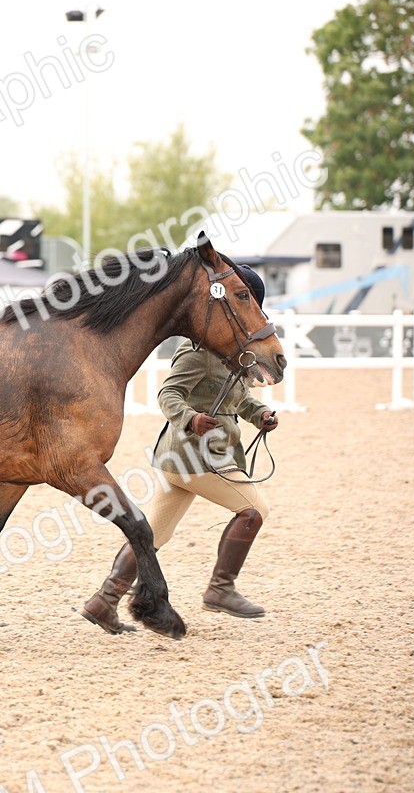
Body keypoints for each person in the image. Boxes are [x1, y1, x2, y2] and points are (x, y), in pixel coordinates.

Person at [81, 264, 280, 634]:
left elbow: (238, 399)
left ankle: (104, 600)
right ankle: (221, 589)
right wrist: (190, 419)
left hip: (185, 459)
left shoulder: (230, 354)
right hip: (195, 456)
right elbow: (168, 393)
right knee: (253, 509)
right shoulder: (198, 353)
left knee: (154, 534)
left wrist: (261, 414)